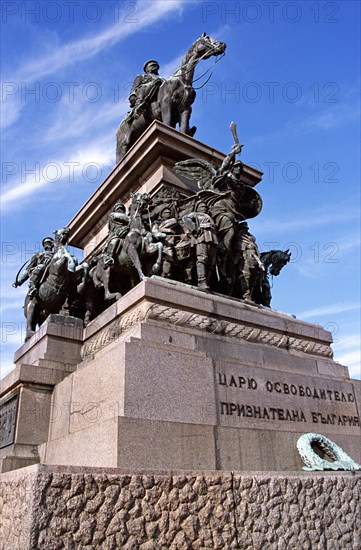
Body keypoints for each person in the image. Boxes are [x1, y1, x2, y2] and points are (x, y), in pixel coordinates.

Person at [182, 201, 219, 290]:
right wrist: (194, 228)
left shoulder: (210, 217)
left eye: (205, 206)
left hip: (213, 239)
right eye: (202, 206)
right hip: (202, 238)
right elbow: (185, 218)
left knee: (212, 263)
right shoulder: (195, 214)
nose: (204, 208)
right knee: (202, 258)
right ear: (197, 207)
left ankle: (207, 282)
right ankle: (201, 281)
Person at [103, 202, 130, 267]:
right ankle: (108, 257)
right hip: (115, 234)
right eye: (119, 208)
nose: (120, 210)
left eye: (121, 209)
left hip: (125, 231)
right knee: (115, 240)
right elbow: (126, 219)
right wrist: (130, 218)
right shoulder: (113, 215)